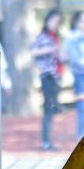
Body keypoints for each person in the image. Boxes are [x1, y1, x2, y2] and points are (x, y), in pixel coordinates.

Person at [31, 9, 64, 150]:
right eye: (53, 21)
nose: (55, 24)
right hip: (47, 77)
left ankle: (49, 140)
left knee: (52, 109)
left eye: (58, 22)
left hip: (56, 77)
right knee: (48, 109)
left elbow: (62, 57)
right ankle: (46, 142)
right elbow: (33, 51)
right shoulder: (43, 37)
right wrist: (50, 49)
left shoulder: (56, 37)